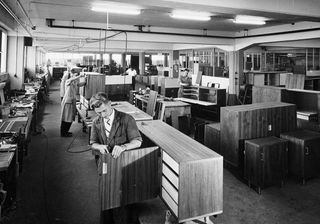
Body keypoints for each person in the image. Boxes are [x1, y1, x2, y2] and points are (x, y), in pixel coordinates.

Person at [89, 92, 142, 224]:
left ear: (110, 103)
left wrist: (124, 146)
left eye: (104, 111)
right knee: (107, 199)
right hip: (106, 165)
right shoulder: (96, 122)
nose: (102, 115)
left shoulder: (126, 119)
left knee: (124, 201)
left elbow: (137, 141)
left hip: (124, 166)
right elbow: (92, 143)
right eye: (98, 112)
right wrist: (99, 147)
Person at [60, 67, 85, 137]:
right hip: (67, 102)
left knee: (70, 118)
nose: (74, 76)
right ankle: (63, 133)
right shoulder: (67, 81)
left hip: (72, 101)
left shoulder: (74, 82)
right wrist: (79, 76)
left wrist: (85, 82)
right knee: (66, 118)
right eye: (73, 74)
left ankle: (66, 131)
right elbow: (70, 80)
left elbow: (79, 84)